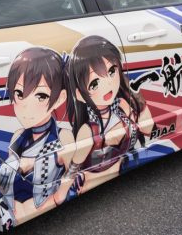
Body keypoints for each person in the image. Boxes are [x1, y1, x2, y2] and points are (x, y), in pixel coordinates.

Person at [63, 35, 153, 196]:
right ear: (80, 95)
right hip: (91, 188)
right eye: (95, 83)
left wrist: (132, 91)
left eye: (112, 71)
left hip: (126, 181)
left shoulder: (122, 105)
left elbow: (148, 129)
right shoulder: (88, 130)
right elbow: (72, 171)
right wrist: (62, 194)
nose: (108, 83)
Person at [0, 47, 75, 229]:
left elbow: (74, 170)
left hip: (43, 209)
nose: (25, 106)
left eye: (40, 95)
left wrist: (59, 197)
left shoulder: (63, 137)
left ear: (59, 98)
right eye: (19, 94)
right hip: (9, 214)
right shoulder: (17, 137)